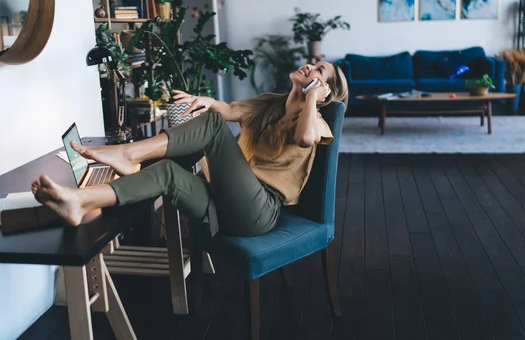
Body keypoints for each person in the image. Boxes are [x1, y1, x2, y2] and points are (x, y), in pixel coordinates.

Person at [31, 62, 348, 237]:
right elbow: (230, 110)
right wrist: (208, 101)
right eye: (314, 63)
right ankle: (80, 202)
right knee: (167, 171)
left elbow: (306, 139)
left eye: (320, 70)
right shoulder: (270, 103)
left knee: (211, 126)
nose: (311, 66)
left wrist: (311, 99)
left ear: (325, 91)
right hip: (226, 206)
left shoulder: (316, 119)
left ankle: (128, 154)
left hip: (259, 211)